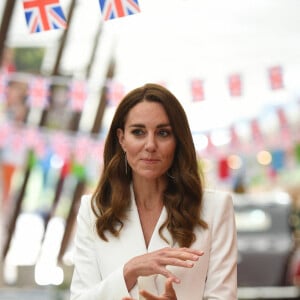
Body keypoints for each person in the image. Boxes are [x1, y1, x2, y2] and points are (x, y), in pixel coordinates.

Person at [70, 83, 237, 300]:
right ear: (121, 139)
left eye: (163, 133)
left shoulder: (215, 208)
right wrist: (130, 270)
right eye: (138, 132)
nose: (150, 145)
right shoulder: (94, 210)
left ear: (177, 140)